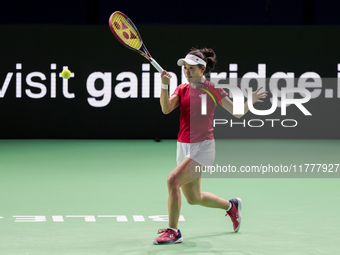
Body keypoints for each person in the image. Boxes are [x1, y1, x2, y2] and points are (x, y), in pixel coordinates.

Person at [153, 47, 267, 245]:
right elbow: (165, 109)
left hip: (203, 148)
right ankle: (231, 207)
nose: (187, 72)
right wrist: (164, 86)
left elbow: (237, 112)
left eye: (191, 68)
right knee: (194, 198)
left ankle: (173, 232)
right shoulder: (182, 89)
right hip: (183, 146)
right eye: (185, 68)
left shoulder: (213, 89)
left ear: (202, 69)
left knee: (173, 180)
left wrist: (251, 101)